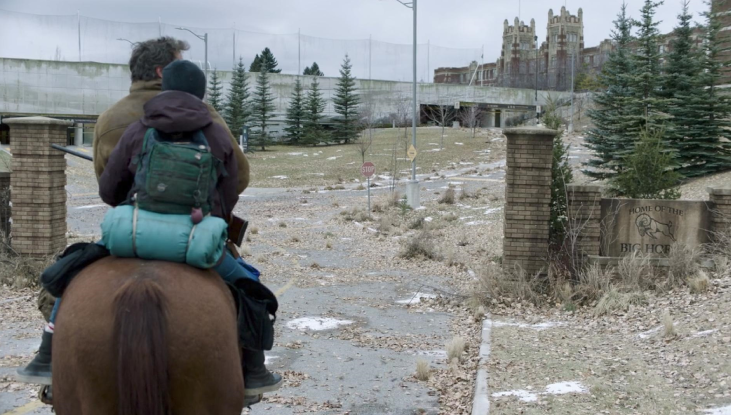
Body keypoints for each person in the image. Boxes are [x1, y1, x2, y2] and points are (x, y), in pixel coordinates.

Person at [16, 38, 264, 392]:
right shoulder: (211, 122)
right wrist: (210, 216)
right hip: (196, 236)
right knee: (250, 289)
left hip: (130, 233)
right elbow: (237, 179)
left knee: (66, 280)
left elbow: (108, 188)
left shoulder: (120, 121)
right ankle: (254, 372)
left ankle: (47, 357)